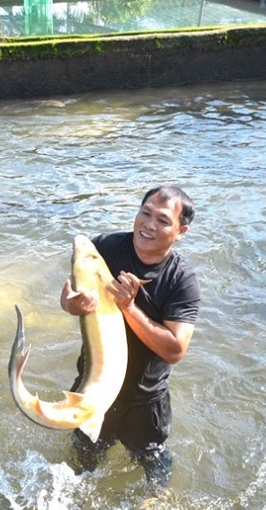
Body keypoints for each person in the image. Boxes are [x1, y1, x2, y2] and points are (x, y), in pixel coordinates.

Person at [60, 185, 200, 487]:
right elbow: (73, 298)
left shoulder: (182, 281)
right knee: (80, 464)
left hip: (144, 400)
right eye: (145, 213)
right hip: (92, 385)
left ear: (181, 231)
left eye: (162, 220)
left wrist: (129, 307)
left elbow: (175, 350)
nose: (149, 225)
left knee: (154, 470)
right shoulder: (105, 250)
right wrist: (70, 304)